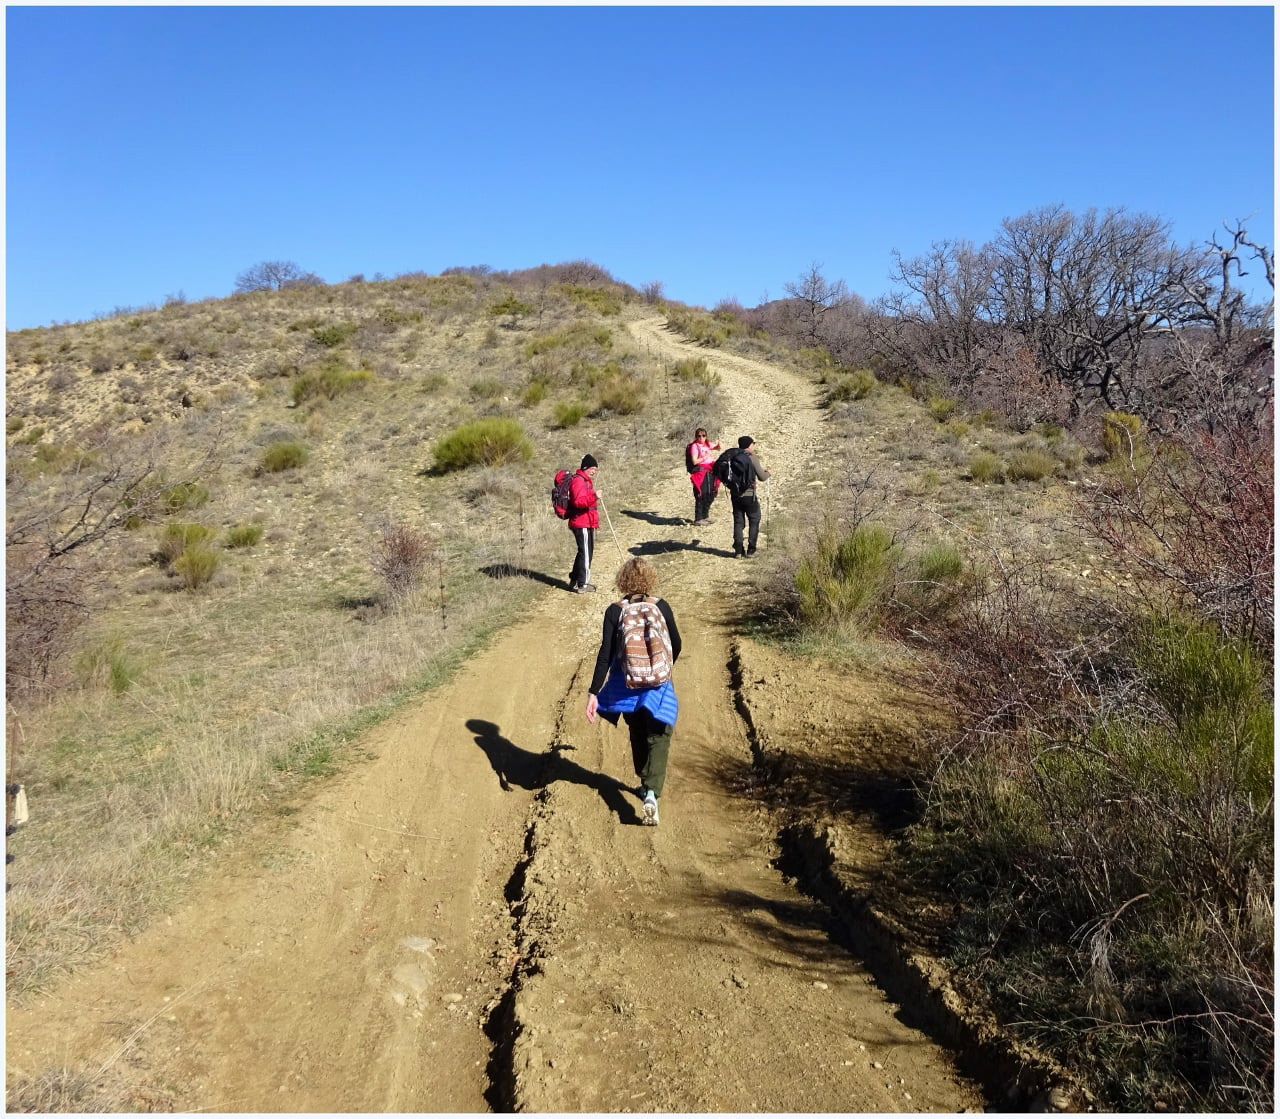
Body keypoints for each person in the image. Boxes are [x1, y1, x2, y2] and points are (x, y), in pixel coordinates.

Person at [585, 557, 683, 826]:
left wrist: (594, 692)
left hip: (627, 687)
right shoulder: (660, 606)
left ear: (622, 581)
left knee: (638, 732)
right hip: (658, 686)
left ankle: (644, 780)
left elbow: (604, 655)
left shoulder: (614, 612)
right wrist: (660, 668)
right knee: (659, 734)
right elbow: (677, 643)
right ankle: (651, 792)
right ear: (651, 579)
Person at [729, 435, 771, 558]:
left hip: (735, 494)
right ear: (749, 445)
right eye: (753, 444)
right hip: (749, 494)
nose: (754, 446)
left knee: (738, 521)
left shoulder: (733, 457)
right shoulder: (752, 458)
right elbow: (762, 477)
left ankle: (738, 550)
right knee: (754, 519)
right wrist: (769, 472)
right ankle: (751, 550)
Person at [567, 454, 600, 593]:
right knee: (586, 553)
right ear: (585, 468)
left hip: (586, 521)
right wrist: (594, 496)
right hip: (581, 522)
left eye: (595, 469)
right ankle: (583, 584)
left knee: (583, 552)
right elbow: (579, 502)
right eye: (592, 468)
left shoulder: (585, 480)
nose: (593, 471)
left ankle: (575, 578)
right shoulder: (579, 481)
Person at [685, 427, 722, 525]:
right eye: (699, 436)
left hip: (710, 471)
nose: (701, 438)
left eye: (703, 435)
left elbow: (717, 448)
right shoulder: (694, 446)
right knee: (701, 494)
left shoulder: (707, 444)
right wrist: (705, 457)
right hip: (700, 472)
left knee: (710, 493)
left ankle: (705, 516)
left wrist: (718, 445)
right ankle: (698, 518)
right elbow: (695, 461)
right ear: (696, 437)